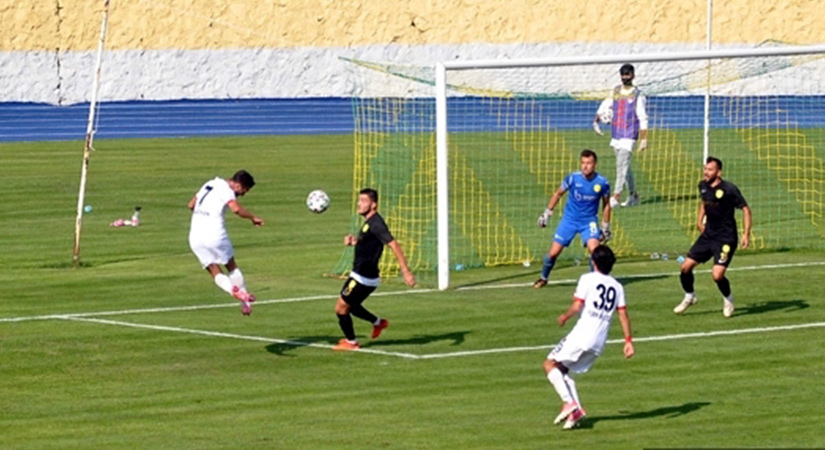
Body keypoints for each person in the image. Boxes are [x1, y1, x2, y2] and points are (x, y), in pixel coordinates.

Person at [543, 245, 634, 430]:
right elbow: (623, 314)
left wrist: (564, 316)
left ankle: (569, 403)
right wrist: (628, 341)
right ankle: (576, 413)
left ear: (594, 262)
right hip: (599, 342)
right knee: (562, 370)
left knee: (549, 364)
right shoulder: (617, 287)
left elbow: (577, 306)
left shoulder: (587, 279)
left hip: (582, 334)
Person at [333, 188, 416, 351]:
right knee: (352, 306)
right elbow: (371, 245)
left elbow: (393, 245)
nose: (359, 204)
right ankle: (379, 323)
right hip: (364, 276)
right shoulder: (369, 223)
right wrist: (355, 242)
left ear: (374, 204)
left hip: (362, 277)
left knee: (341, 308)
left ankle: (351, 343)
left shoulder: (377, 224)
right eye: (359, 200)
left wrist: (405, 271)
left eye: (363, 201)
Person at [674, 157, 751, 318]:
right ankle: (690, 296)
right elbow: (704, 202)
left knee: (717, 275)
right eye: (705, 169)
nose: (706, 172)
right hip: (708, 235)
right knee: (685, 267)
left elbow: (745, 209)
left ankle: (728, 299)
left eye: (710, 170)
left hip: (726, 238)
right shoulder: (703, 186)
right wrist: (699, 220)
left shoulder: (729, 189)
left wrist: (746, 234)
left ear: (719, 172)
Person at [188, 170, 264, 315]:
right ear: (237, 185)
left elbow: (191, 205)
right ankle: (245, 302)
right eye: (244, 190)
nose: (242, 194)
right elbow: (236, 209)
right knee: (231, 266)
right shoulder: (226, 189)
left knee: (214, 270)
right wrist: (252, 217)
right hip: (214, 234)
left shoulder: (210, 183)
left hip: (195, 236)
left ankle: (232, 290)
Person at [534, 149, 612, 288]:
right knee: (552, 254)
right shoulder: (572, 178)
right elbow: (558, 193)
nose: (585, 166)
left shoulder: (602, 183)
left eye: (588, 163)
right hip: (569, 220)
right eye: (583, 163)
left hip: (589, 222)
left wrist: (605, 226)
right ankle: (543, 278)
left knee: (595, 252)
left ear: (595, 164)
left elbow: (606, 205)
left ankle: (595, 283)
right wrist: (547, 213)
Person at [593, 63, 648, 209]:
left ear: (633, 76)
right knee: (625, 165)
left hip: (630, 134)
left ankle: (616, 196)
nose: (625, 77)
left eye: (628, 75)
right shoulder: (616, 91)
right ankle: (633, 195)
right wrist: (597, 118)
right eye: (623, 75)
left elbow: (642, 116)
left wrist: (644, 138)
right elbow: (606, 104)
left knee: (621, 164)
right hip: (617, 133)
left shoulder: (638, 94)